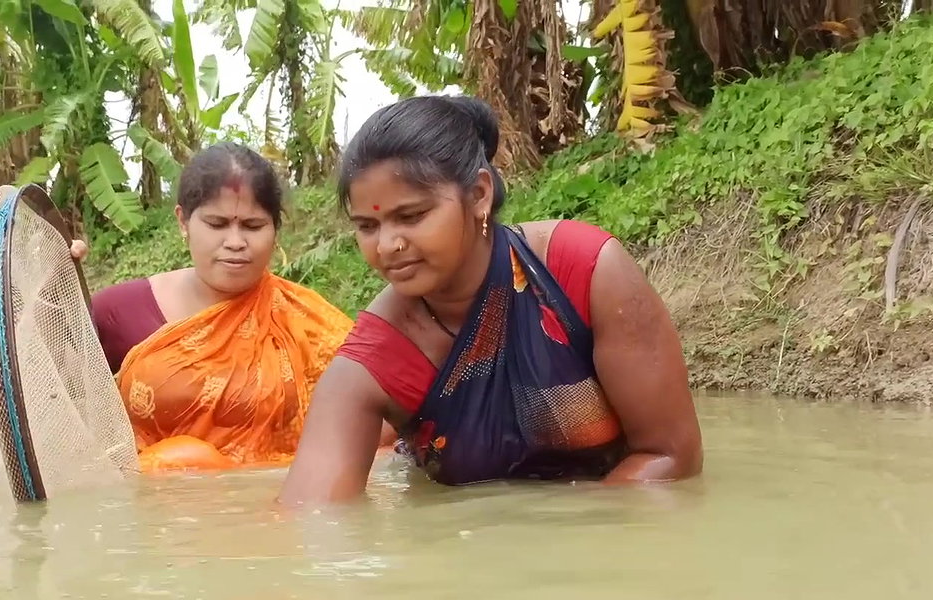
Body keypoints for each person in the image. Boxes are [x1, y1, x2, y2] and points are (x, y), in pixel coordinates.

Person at [277, 95, 703, 505]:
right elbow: (313, 519)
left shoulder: (584, 273)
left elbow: (670, 457)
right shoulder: (372, 361)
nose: (387, 245)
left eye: (412, 216)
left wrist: (575, 545)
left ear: (479, 194)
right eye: (367, 226)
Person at [71, 142, 374, 472]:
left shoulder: (306, 321)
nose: (235, 242)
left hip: (273, 515)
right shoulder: (119, 311)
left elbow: (373, 421)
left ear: (276, 230)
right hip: (149, 516)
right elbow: (41, 395)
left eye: (253, 225)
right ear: (183, 222)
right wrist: (51, 282)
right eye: (216, 224)